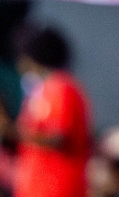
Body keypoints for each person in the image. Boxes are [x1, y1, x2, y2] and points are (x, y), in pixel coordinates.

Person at [9, 26, 90, 197]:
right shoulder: (42, 89)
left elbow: (58, 138)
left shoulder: (61, 87)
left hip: (56, 188)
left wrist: (11, 131)